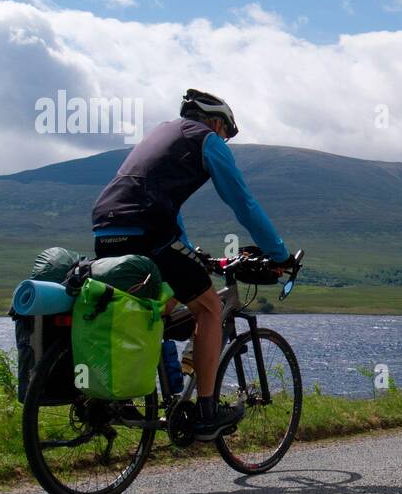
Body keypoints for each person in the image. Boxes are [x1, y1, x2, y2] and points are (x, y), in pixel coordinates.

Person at [90, 89, 293, 440]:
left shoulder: (163, 134)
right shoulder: (207, 140)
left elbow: (168, 205)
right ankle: (205, 412)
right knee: (210, 307)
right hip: (148, 231)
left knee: (158, 307)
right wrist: (279, 254)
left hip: (107, 228)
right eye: (226, 132)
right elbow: (242, 204)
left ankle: (123, 395)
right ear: (215, 122)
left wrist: (186, 250)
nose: (224, 140)